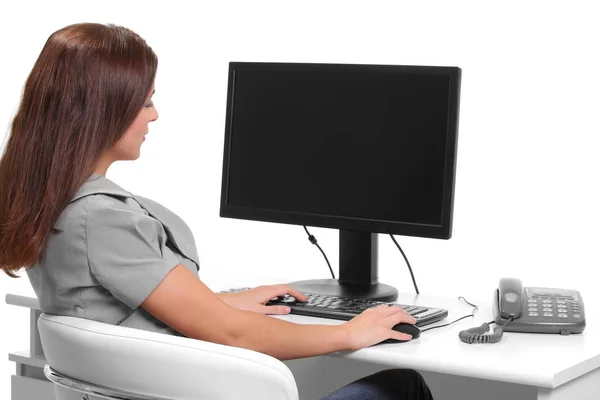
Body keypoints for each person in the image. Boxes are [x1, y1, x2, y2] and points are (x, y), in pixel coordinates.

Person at [0, 23, 433, 400]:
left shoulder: (48, 204)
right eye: (146, 102)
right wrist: (348, 331)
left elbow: (127, 309)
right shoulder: (100, 218)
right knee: (403, 386)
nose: (155, 115)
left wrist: (221, 303)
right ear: (104, 111)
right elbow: (231, 334)